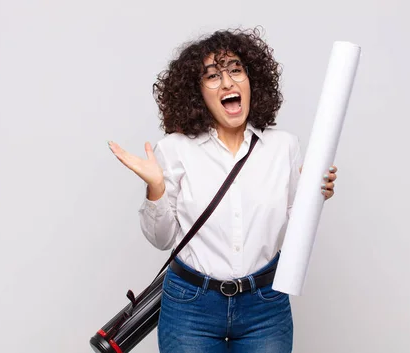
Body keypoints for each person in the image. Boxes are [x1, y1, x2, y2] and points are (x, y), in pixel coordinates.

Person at [107, 27, 338, 353]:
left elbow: (294, 227)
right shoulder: (174, 149)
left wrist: (315, 195)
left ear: (251, 80)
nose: (227, 82)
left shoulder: (283, 147)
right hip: (190, 304)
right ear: (197, 93)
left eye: (235, 70)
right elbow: (161, 239)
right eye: (213, 76)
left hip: (265, 303)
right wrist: (155, 186)